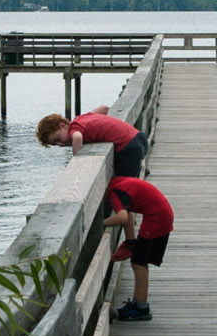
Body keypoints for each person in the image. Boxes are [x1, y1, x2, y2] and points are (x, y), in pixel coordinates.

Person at [102, 175, 171, 321]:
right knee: (140, 261)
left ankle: (141, 308)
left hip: (156, 219)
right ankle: (139, 303)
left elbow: (122, 217)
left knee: (138, 263)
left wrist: (101, 224)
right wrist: (130, 241)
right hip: (162, 214)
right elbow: (129, 212)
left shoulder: (115, 193)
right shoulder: (119, 183)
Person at [36, 105, 147, 179]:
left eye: (58, 139)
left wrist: (76, 162)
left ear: (63, 125)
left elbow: (77, 138)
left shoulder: (73, 131)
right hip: (139, 137)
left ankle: (125, 213)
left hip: (129, 148)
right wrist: (100, 127)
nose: (60, 144)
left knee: (123, 187)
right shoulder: (81, 119)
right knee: (130, 179)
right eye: (55, 144)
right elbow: (104, 108)